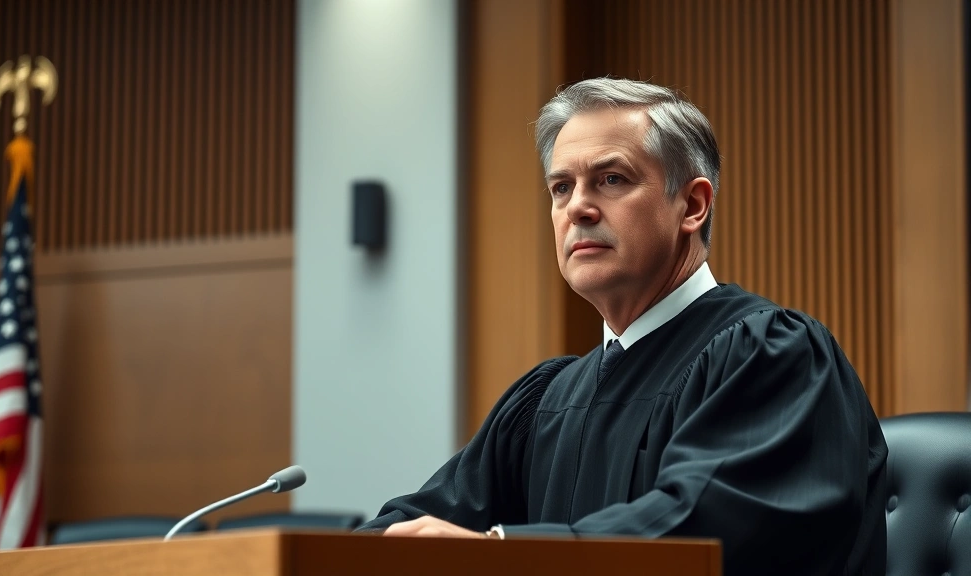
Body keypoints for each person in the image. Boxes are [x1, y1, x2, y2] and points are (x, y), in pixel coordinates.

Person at [356, 77, 887, 576]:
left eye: (611, 179)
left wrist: (499, 551)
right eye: (561, 188)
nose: (579, 208)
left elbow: (702, 533)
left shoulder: (773, 356)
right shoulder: (547, 398)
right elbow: (427, 516)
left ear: (693, 205)